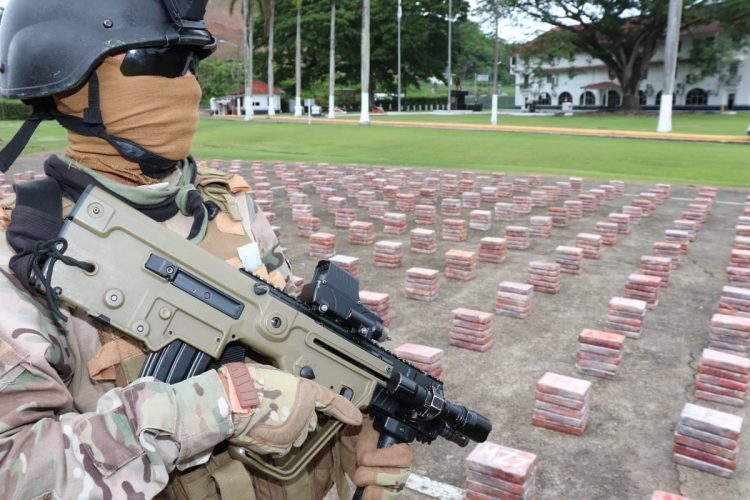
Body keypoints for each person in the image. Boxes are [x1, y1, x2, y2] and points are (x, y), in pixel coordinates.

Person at [0, 1, 412, 499]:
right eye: (160, 61)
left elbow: (287, 357)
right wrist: (216, 407)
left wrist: (348, 439)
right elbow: (13, 472)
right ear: (66, 83)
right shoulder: (24, 253)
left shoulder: (231, 207)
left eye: (192, 63)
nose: (188, 86)